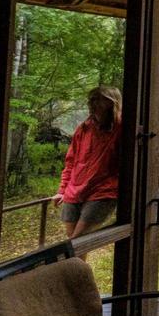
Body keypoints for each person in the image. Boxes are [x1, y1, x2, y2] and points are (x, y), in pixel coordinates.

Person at [51, 86, 122, 243]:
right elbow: (71, 161)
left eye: (98, 99)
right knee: (74, 242)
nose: (93, 103)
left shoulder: (122, 128)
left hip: (102, 192)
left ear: (111, 102)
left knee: (77, 242)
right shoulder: (84, 128)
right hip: (74, 191)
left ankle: (73, 268)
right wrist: (62, 190)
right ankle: (80, 268)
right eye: (92, 99)